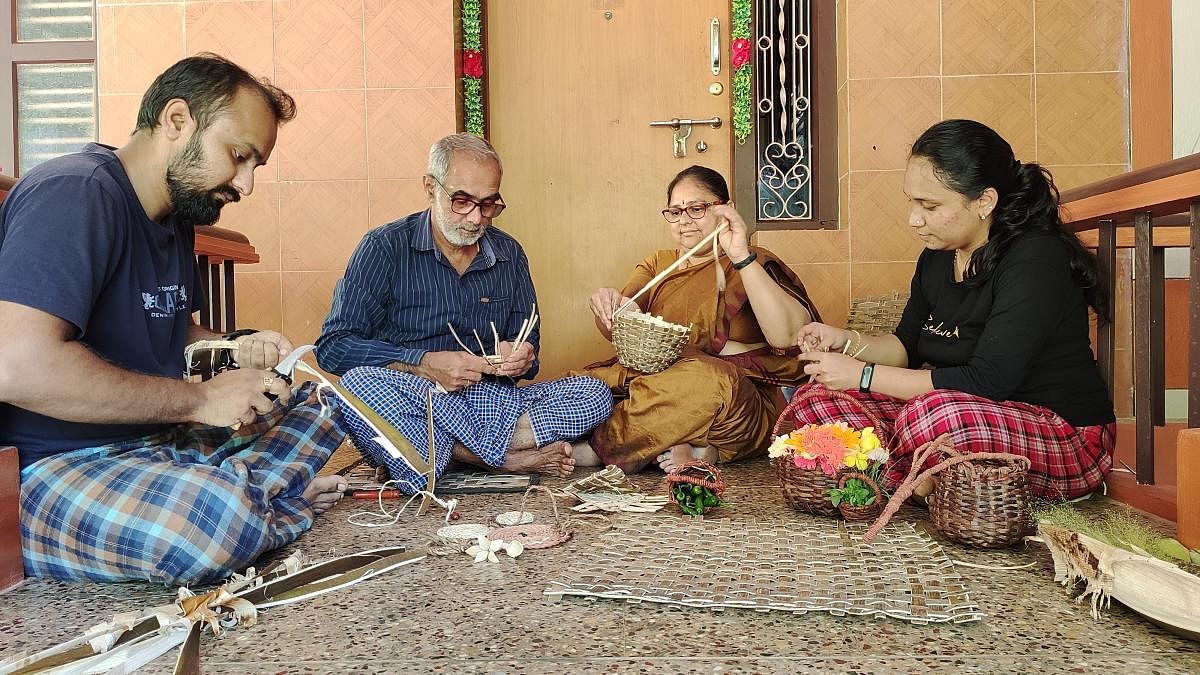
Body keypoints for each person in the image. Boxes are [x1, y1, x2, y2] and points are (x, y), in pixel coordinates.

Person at [0, 54, 348, 585]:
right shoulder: (77, 192)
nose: (246, 184)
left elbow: (164, 325)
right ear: (177, 119)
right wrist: (203, 400)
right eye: (238, 155)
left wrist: (233, 348)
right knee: (211, 524)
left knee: (330, 403)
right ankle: (259, 502)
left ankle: (241, 497)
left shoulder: (176, 218)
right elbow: (17, 366)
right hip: (55, 467)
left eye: (254, 165)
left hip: (156, 445)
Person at [789, 119, 1116, 500]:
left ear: (984, 202)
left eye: (929, 205)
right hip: (961, 415)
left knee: (934, 416)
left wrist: (862, 376)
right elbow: (905, 347)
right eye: (912, 202)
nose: (914, 219)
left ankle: (891, 477)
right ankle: (923, 481)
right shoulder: (936, 259)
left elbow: (988, 382)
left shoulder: (1035, 258)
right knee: (816, 399)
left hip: (1060, 432)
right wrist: (846, 342)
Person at [315, 134, 612, 493]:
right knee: (356, 387)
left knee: (594, 393)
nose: (475, 218)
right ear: (430, 186)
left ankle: (449, 455)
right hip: (414, 396)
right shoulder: (384, 247)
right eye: (461, 201)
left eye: (488, 205)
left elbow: (528, 349)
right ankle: (501, 460)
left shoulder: (509, 254)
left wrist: (520, 356)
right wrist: (422, 362)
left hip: (491, 403)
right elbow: (334, 347)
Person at [577, 165, 819, 473]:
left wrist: (740, 256)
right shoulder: (657, 264)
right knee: (586, 385)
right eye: (675, 212)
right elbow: (623, 318)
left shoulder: (752, 261)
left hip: (732, 405)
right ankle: (684, 444)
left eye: (696, 208)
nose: (685, 221)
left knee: (709, 380)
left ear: (726, 209)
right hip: (656, 387)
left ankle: (601, 450)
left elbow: (789, 336)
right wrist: (612, 310)